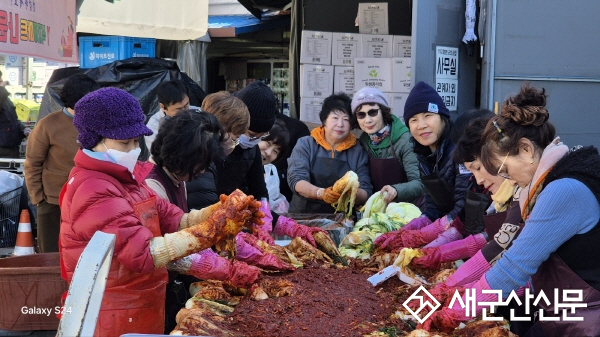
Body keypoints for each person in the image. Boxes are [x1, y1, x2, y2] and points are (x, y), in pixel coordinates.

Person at [59, 87, 262, 337]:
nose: (134, 149)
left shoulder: (129, 179)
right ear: (94, 140)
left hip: (141, 303)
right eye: (125, 143)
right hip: (109, 310)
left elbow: (176, 219)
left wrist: (225, 210)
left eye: (136, 141)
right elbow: (144, 253)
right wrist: (212, 232)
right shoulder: (93, 188)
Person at [424, 84, 600, 335]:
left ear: (526, 150)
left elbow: (513, 267)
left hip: (586, 318)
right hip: (564, 308)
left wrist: (455, 312)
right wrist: (458, 288)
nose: (507, 179)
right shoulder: (549, 182)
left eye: (504, 170)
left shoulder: (562, 190)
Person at [144, 109, 260, 333]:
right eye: (202, 164)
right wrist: (213, 265)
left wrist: (223, 214)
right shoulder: (152, 187)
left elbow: (184, 221)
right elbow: (158, 253)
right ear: (185, 157)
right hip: (154, 291)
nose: (204, 171)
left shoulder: (178, 178)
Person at [374, 82, 472, 251]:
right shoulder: (423, 155)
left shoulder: (460, 150)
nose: (421, 125)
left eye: (428, 115)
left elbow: (463, 209)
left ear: (442, 116)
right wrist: (407, 231)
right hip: (448, 234)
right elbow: (433, 207)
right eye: (414, 120)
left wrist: (428, 241)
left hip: (468, 239)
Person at [24, 74, 99, 253]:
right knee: (51, 255)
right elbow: (32, 163)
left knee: (85, 255)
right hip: (52, 202)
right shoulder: (48, 125)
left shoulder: (98, 123)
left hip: (90, 201)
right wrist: (39, 199)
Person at [287, 92, 372, 214]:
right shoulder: (306, 144)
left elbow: (365, 190)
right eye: (335, 118)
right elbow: (296, 180)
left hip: (341, 219)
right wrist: (321, 193)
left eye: (346, 119)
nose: (340, 124)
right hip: (303, 216)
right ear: (324, 120)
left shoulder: (358, 151)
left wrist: (348, 194)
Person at [352, 87, 424, 204]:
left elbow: (419, 182)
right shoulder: (363, 141)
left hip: (406, 209)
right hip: (376, 209)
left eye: (373, 112)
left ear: (383, 112)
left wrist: (396, 190)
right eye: (361, 115)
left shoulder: (405, 140)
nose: (368, 120)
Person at [186, 91, 250, 210]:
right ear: (220, 133)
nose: (235, 145)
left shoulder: (199, 153)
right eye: (235, 139)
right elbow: (206, 216)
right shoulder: (201, 165)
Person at [273, 109, 310, 202]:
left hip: (285, 197)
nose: (268, 152)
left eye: (275, 150)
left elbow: (298, 172)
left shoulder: (297, 128)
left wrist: (274, 176)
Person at [145, 80, 190, 151]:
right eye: (178, 109)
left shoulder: (198, 112)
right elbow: (159, 155)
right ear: (163, 107)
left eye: (186, 105)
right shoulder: (153, 127)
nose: (185, 112)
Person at [259, 119, 290, 213]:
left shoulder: (269, 173)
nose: (268, 153)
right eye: (268, 143)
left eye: (275, 151)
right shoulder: (236, 164)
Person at [0, 71, 29, 158]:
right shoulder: (2, 94)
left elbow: (13, 120)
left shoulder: (5, 99)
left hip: (12, 149)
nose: (1, 80)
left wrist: (23, 129)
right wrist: (1, 89)